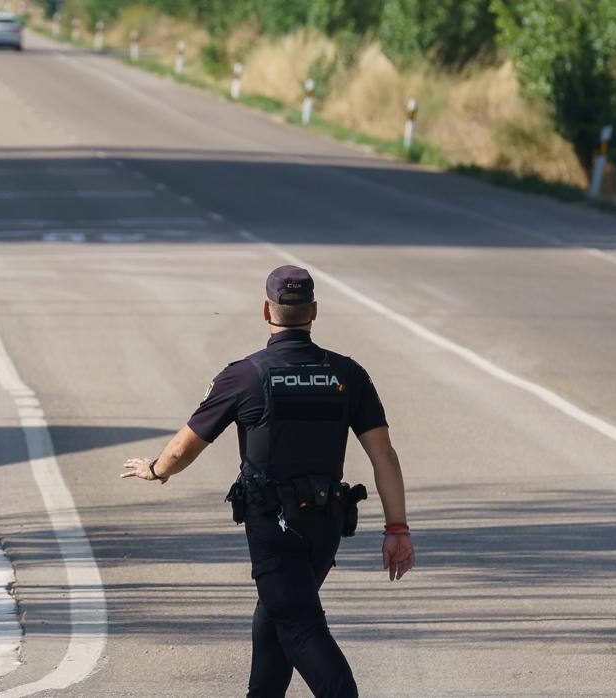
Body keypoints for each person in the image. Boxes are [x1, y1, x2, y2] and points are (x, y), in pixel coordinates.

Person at [120, 265, 415, 698]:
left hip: (274, 526)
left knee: (298, 624)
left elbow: (183, 450)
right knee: (275, 616)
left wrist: (155, 469)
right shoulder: (347, 374)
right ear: (314, 310)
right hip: (325, 526)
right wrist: (397, 528)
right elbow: (384, 455)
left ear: (266, 310)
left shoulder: (245, 375)